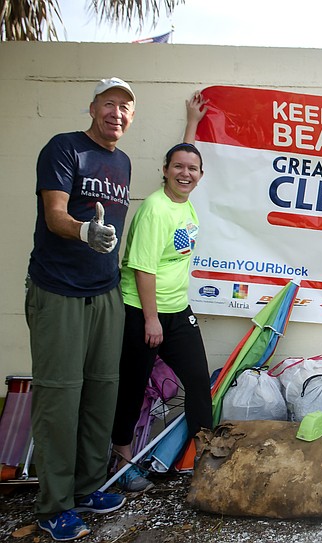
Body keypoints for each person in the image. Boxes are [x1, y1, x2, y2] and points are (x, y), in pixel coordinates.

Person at [25, 77, 136, 541]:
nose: (117, 113)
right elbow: (54, 214)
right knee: (59, 397)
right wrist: (83, 231)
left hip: (105, 291)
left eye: (125, 108)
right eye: (109, 104)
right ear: (92, 108)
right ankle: (54, 505)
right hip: (59, 290)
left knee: (100, 393)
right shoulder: (64, 148)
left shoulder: (124, 162)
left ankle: (90, 487)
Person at [111, 92, 214, 491]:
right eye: (178, 167)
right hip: (143, 312)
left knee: (198, 385)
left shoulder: (183, 201)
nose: (185, 173)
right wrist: (151, 319)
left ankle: (204, 461)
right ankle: (121, 463)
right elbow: (142, 267)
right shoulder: (156, 208)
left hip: (176, 310)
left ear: (200, 175)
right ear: (165, 171)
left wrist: (191, 124)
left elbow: (187, 156)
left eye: (193, 168)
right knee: (132, 387)